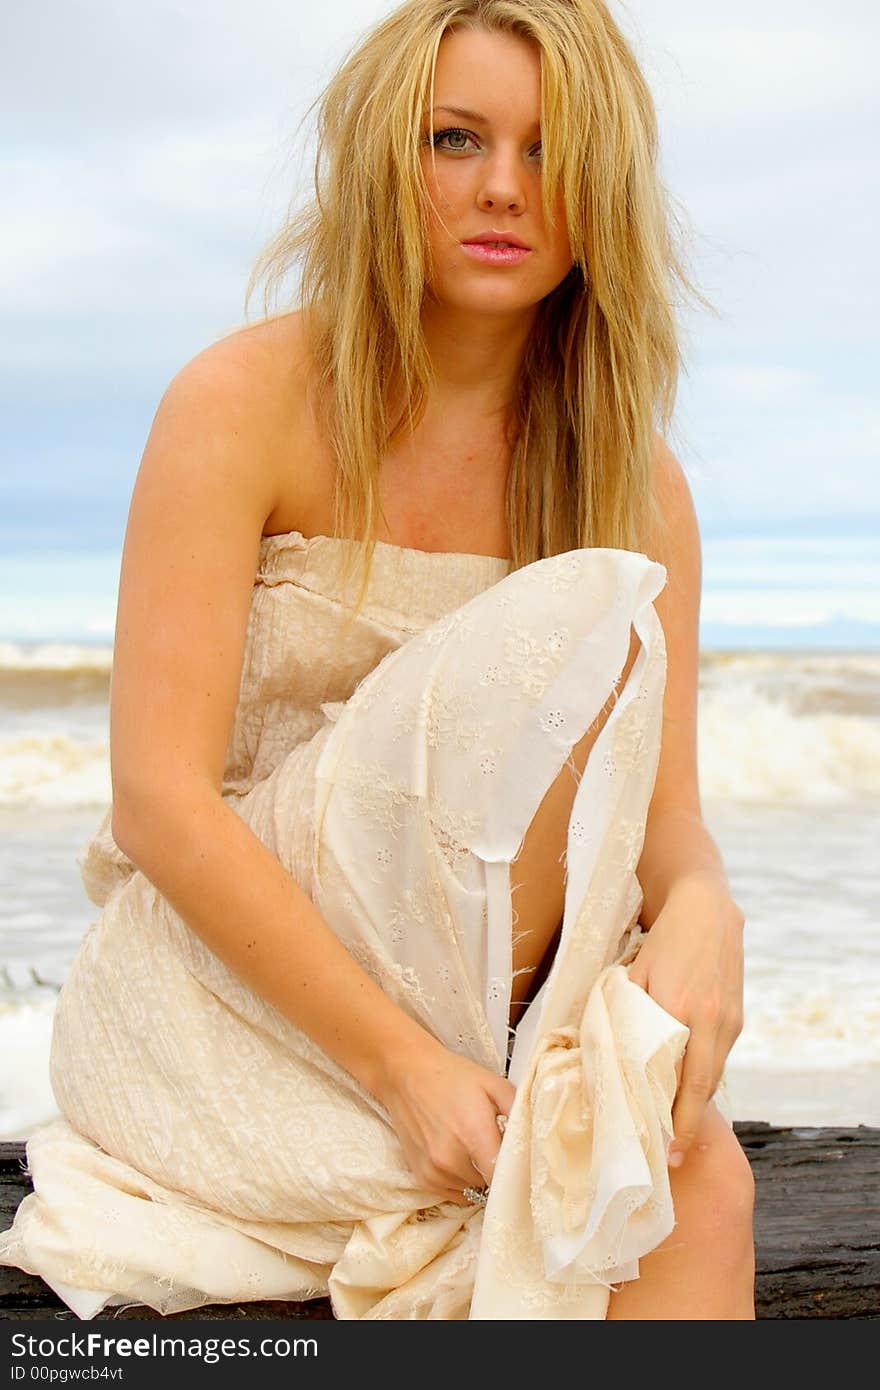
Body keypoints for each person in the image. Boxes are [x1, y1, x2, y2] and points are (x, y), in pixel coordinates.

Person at [0, 0, 755, 1319]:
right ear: (377, 160)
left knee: (709, 1189)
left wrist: (709, 915)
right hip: (233, 1003)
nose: (505, 188)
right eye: (455, 139)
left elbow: (663, 830)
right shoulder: (240, 405)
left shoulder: (637, 487)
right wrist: (404, 1066)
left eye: (550, 147)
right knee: (558, 629)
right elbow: (158, 807)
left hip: (502, 1017)